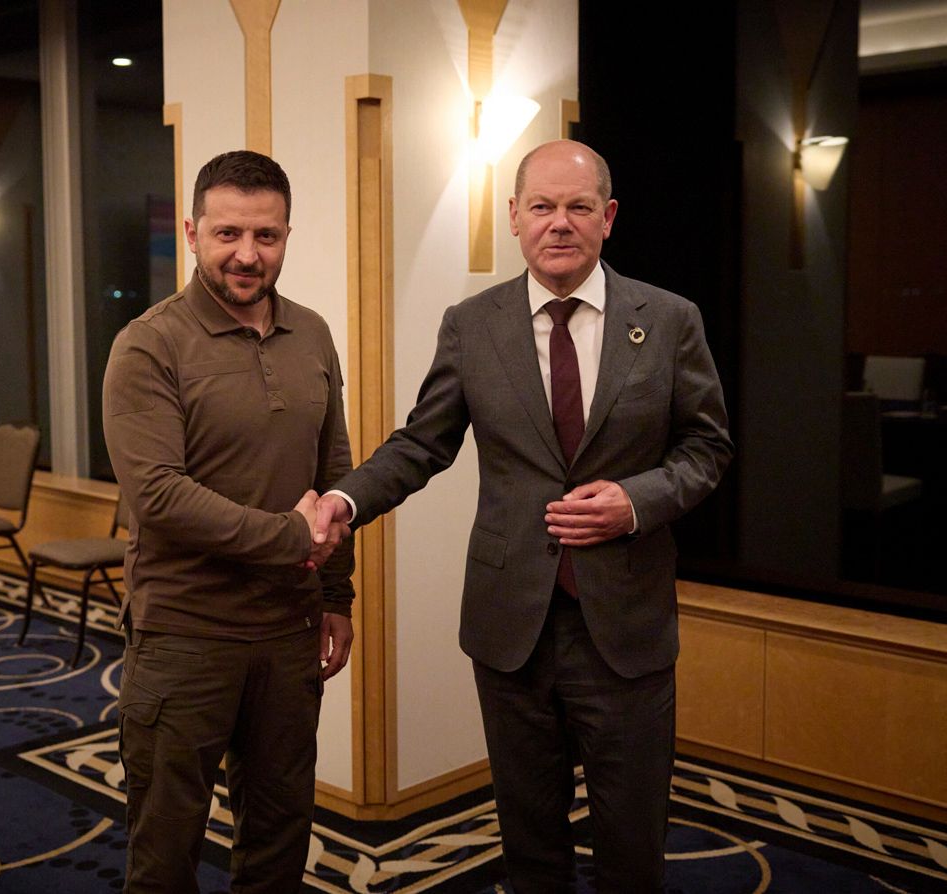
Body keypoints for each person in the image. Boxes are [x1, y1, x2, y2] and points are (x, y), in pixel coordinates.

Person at [314, 139, 732, 892]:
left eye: (578, 207)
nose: (559, 222)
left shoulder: (670, 320)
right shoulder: (473, 324)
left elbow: (708, 449)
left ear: (608, 217)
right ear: (513, 216)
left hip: (626, 628)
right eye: (542, 206)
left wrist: (636, 502)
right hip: (512, 628)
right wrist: (345, 500)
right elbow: (422, 443)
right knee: (530, 846)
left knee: (632, 847)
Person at [103, 149, 355, 894]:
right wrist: (291, 537)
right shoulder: (148, 343)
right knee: (165, 853)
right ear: (192, 232)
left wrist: (336, 595)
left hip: (288, 630)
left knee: (279, 839)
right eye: (228, 234)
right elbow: (159, 495)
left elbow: (333, 471)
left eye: (266, 235)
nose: (248, 254)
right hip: (184, 637)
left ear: (286, 236)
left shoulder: (312, 333)